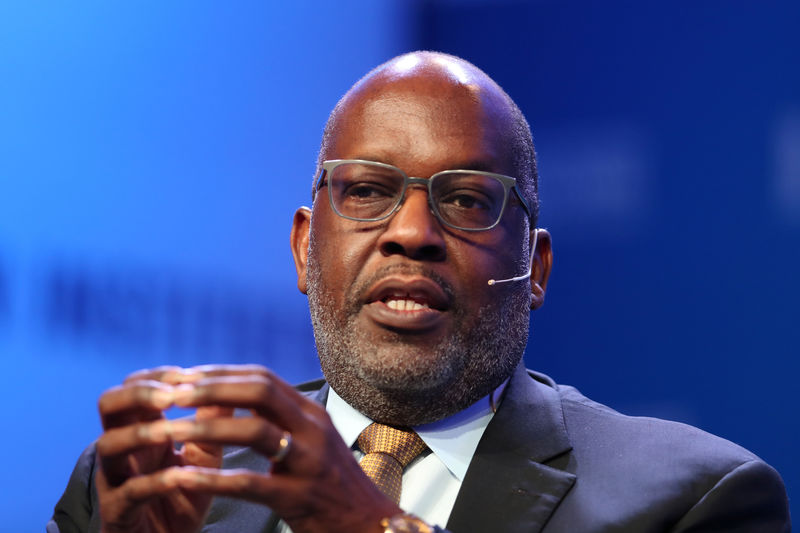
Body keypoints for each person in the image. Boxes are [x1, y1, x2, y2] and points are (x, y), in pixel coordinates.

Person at [49, 51, 790, 533]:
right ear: (306, 248)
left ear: (534, 270)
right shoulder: (144, 488)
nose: (412, 232)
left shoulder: (694, 500)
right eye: (367, 190)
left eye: (467, 200)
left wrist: (372, 525)